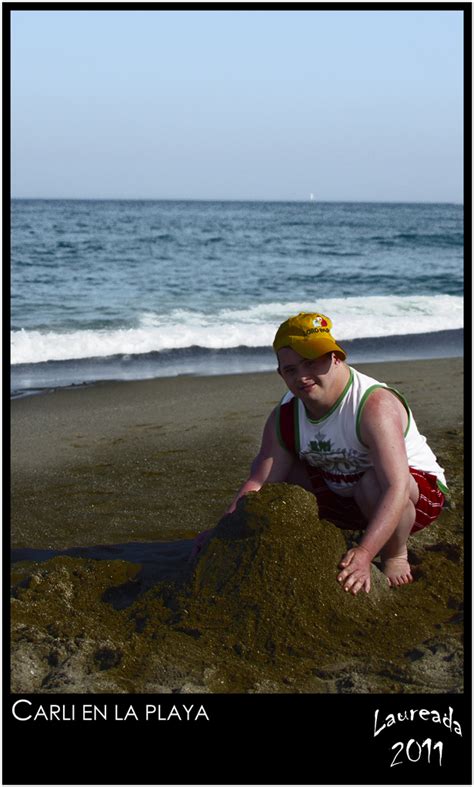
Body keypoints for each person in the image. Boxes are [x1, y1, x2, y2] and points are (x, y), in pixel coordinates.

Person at [192, 312, 447, 596]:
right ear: (281, 373)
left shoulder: (373, 405)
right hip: (341, 493)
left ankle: (395, 553)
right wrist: (222, 531)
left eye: (311, 362)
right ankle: (348, 532)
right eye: (290, 369)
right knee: (284, 475)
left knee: (373, 484)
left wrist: (364, 553)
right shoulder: (285, 416)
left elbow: (396, 486)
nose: (301, 376)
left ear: (336, 357)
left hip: (410, 498)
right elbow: (259, 483)